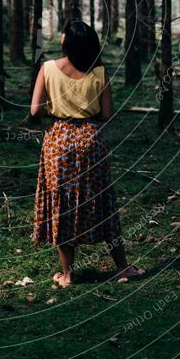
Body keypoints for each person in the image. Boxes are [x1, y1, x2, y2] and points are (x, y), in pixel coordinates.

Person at [30, 19, 146, 287]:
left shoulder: (47, 68)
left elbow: (35, 111)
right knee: (103, 201)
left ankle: (68, 274)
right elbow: (107, 114)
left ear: (65, 43)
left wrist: (57, 111)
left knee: (61, 205)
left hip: (57, 142)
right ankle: (123, 268)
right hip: (90, 142)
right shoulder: (99, 72)